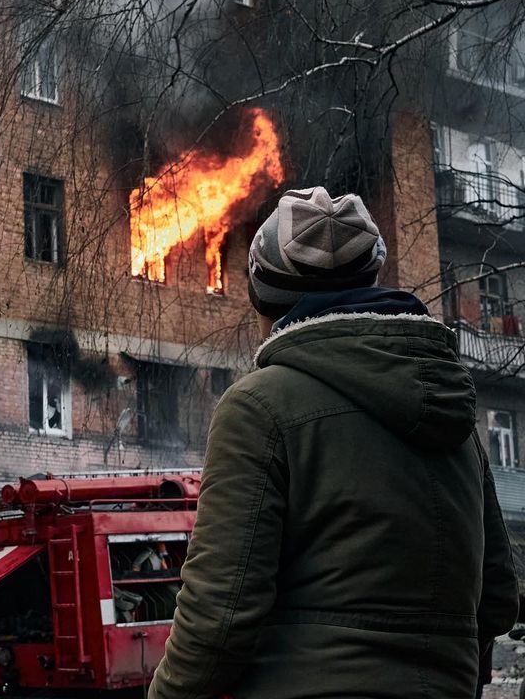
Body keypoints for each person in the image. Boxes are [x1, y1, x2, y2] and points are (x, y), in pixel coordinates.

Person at [148, 187, 519, 699]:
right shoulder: (455, 414)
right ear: (372, 277)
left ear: (266, 296)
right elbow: (497, 598)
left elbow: (219, 614)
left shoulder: (259, 406)